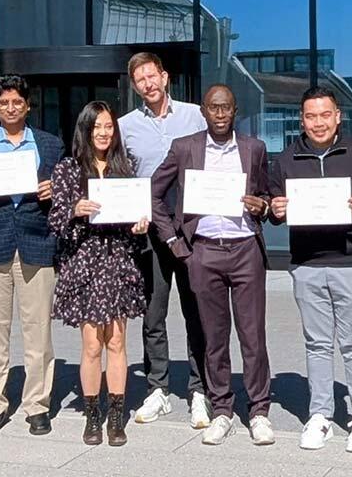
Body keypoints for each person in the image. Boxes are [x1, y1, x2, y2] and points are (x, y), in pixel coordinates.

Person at [149, 85, 276, 446]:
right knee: (213, 336)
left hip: (245, 249)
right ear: (203, 111)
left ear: (235, 110)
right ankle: (222, 409)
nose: (220, 114)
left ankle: (259, 411)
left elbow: (266, 196)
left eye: (226, 107)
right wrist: (173, 240)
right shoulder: (185, 147)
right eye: (213, 108)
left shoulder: (254, 149)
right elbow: (154, 192)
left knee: (253, 336)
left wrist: (261, 206)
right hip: (202, 251)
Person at [269, 87, 352, 454]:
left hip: (351, 261)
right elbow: (275, 204)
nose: (318, 122)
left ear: (338, 116)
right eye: (310, 116)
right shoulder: (286, 159)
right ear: (301, 120)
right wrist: (276, 209)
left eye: (325, 115)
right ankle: (320, 414)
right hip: (306, 264)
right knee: (317, 344)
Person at [0, 75, 64, 437]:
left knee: (38, 331)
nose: (10, 108)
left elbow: (65, 193)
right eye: (3, 103)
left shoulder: (50, 145)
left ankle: (37, 405)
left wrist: (55, 189)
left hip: (36, 243)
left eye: (16, 102)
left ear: (28, 105)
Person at [116, 52, 211, 428]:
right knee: (153, 314)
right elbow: (122, 176)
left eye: (152, 76)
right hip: (150, 231)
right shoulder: (125, 126)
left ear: (165, 76)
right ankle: (158, 387)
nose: (148, 84)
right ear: (135, 86)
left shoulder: (195, 115)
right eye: (140, 80)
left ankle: (199, 388)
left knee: (195, 311)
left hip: (192, 229)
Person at [50, 101, 151, 447]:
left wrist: (140, 225)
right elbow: (55, 219)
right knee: (92, 344)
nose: (104, 132)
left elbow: (138, 215)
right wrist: (75, 209)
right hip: (86, 262)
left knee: (118, 340)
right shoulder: (67, 169)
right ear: (86, 130)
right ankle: (93, 414)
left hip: (119, 261)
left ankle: (116, 416)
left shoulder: (128, 167)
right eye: (97, 127)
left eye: (109, 126)